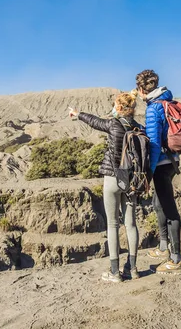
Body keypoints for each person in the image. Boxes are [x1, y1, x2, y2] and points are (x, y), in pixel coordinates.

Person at [69, 92, 141, 283]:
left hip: (112, 178)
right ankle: (132, 269)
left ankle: (115, 272)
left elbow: (95, 121)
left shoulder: (113, 125)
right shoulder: (139, 128)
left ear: (118, 107)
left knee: (112, 225)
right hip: (132, 182)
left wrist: (77, 114)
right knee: (131, 224)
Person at [135, 69, 181, 274]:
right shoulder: (167, 100)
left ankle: (175, 260)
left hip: (162, 164)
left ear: (141, 89)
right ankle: (164, 247)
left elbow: (154, 145)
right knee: (158, 203)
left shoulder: (153, 108)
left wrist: (148, 172)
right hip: (172, 161)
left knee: (169, 210)